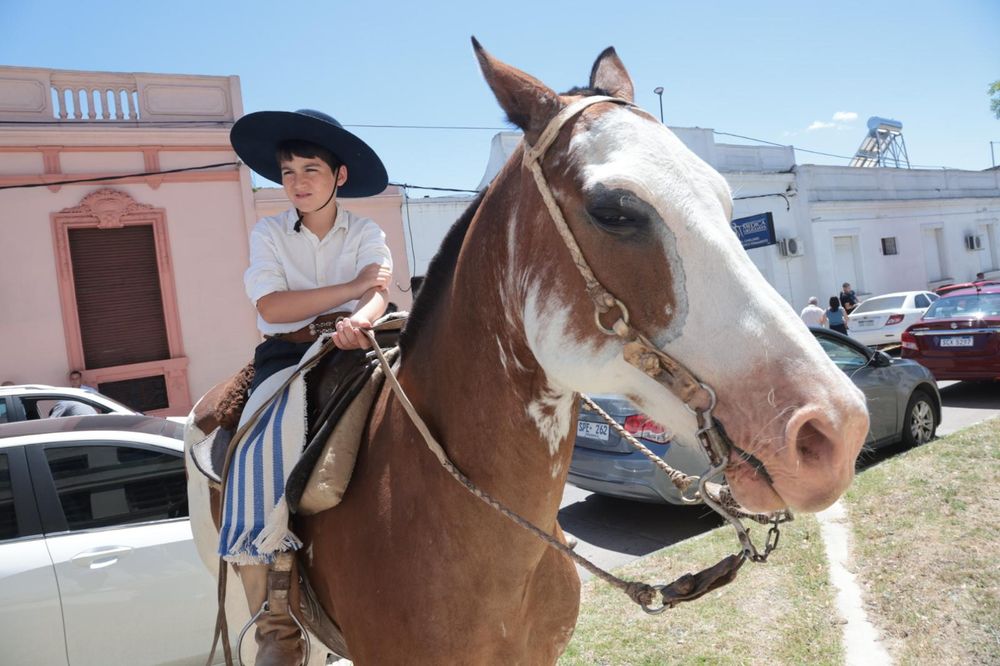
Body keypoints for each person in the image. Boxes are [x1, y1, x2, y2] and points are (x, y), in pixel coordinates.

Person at [226, 108, 392, 664]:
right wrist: (349, 289)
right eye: (288, 171)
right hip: (289, 350)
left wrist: (363, 317)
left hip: (357, 340)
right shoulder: (268, 232)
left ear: (338, 176)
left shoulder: (367, 230)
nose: (296, 182)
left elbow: (380, 292)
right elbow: (272, 306)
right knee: (254, 447)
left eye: (310, 169)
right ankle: (277, 624)